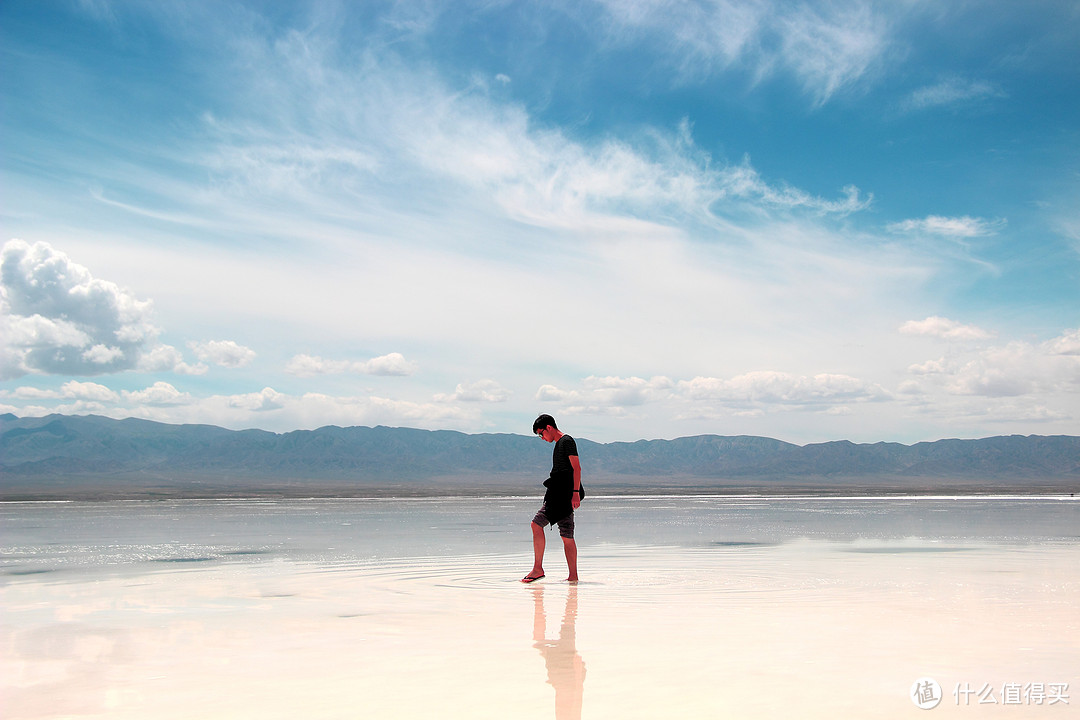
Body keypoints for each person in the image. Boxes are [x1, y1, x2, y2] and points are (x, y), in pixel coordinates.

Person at [522, 414, 583, 583]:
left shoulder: (566, 441)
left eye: (541, 434)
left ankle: (538, 569)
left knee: (536, 524)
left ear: (549, 427)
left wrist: (576, 492)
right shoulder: (559, 444)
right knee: (567, 535)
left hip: (562, 496)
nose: (541, 438)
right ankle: (573, 577)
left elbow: (576, 468)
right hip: (562, 495)